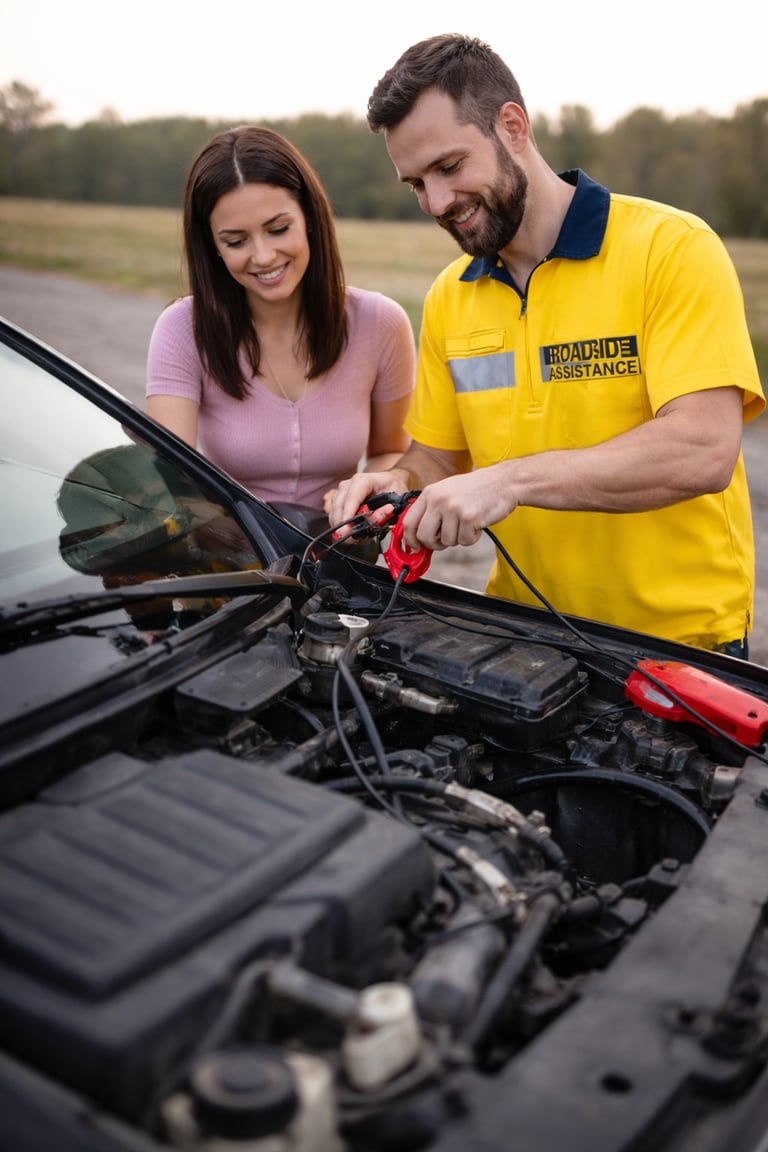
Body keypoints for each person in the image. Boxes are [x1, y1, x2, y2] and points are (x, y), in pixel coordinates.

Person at [330, 33, 765, 655]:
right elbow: (441, 462)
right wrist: (396, 483)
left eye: (450, 167)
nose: (438, 201)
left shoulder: (671, 249)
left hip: (681, 645)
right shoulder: (452, 295)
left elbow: (701, 449)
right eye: (416, 183)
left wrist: (507, 481)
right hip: (523, 634)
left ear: (513, 126)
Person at [146, 125, 415, 516]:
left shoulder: (381, 322)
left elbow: (393, 450)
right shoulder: (181, 328)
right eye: (236, 241)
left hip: (340, 553)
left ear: (309, 216)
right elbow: (172, 479)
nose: (264, 256)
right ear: (212, 247)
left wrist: (359, 493)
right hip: (231, 555)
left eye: (278, 229)